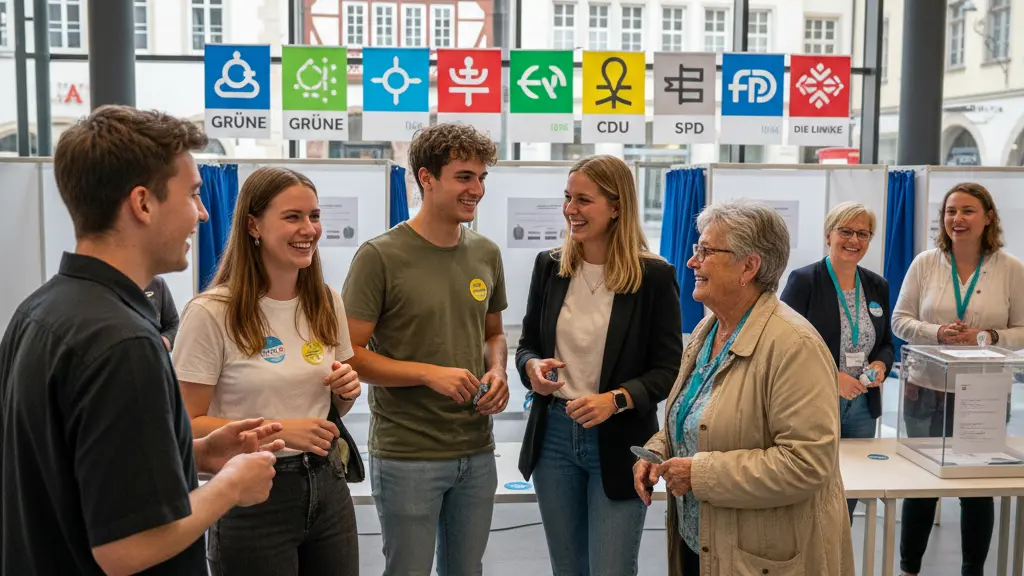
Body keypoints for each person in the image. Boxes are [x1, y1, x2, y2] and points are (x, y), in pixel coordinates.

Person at [0, 105, 281, 576]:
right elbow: (126, 548)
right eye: (192, 194)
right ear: (143, 203)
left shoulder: (39, 311)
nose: (203, 212)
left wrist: (195, 455)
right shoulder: (124, 343)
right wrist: (230, 486)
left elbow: (73, 469)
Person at [634, 200, 855, 576]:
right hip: (702, 543)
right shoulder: (708, 331)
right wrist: (658, 450)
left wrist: (698, 474)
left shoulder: (793, 344)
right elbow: (698, 415)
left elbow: (806, 463)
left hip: (759, 559)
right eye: (695, 249)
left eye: (706, 251)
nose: (692, 262)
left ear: (749, 267)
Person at [173, 166, 362, 576]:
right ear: (253, 225)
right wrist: (282, 429)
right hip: (252, 495)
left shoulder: (327, 301)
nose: (308, 228)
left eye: (314, 216)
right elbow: (186, 425)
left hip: (327, 481)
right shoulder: (210, 313)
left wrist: (345, 392)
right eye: (292, 217)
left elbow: (331, 410)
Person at [342, 122, 508, 576]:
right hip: (407, 453)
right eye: (464, 177)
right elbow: (349, 353)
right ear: (426, 178)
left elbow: (493, 333)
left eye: (481, 178)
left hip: (475, 449)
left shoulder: (486, 253)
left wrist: (498, 371)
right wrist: (428, 373)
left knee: (466, 569)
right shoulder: (380, 256)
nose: (476, 189)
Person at [515, 154, 682, 576]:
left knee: (611, 567)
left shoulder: (654, 277)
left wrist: (618, 399)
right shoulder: (550, 267)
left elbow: (668, 368)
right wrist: (533, 369)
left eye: (583, 200)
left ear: (616, 206)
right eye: (568, 198)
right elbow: (527, 346)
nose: (571, 209)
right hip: (553, 435)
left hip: (620, 440)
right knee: (568, 568)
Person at [893, 182, 1024, 576]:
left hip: (984, 393)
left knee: (977, 491)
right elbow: (900, 321)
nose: (957, 219)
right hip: (926, 390)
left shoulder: (1012, 268)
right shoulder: (924, 263)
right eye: (951, 211)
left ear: (988, 219)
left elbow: (1023, 328)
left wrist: (987, 337)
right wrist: (937, 333)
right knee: (920, 488)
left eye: (967, 211)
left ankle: (972, 571)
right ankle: (909, 568)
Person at [780, 201, 894, 523]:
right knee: (812, 486)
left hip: (862, 404)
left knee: (850, 489)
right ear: (828, 234)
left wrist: (882, 365)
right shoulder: (804, 281)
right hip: (814, 401)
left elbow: (886, 343)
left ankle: (836, 555)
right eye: (845, 231)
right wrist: (833, 377)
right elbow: (785, 344)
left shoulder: (877, 285)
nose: (853, 240)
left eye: (862, 233)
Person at [145, 275, 180, 351]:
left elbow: (174, 325)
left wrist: (164, 342)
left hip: (154, 358)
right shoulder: (114, 288)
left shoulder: (157, 283)